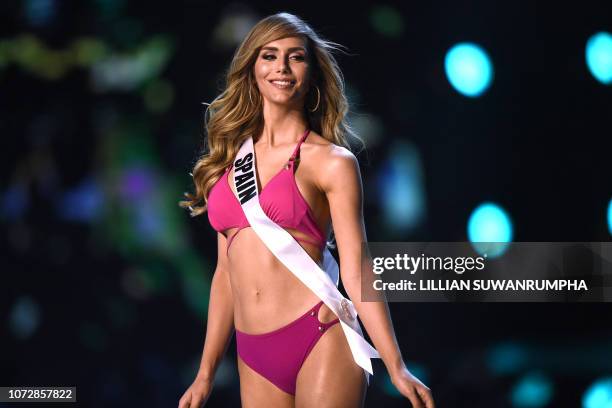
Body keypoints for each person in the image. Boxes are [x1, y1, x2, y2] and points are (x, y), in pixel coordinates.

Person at [178, 12, 434, 408]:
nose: (281, 66)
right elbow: (225, 274)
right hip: (253, 353)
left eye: (295, 57)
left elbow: (357, 267)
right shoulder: (225, 168)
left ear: (312, 73)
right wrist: (205, 373)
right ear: (252, 68)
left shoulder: (331, 161)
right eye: (269, 55)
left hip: (320, 335)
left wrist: (396, 366)